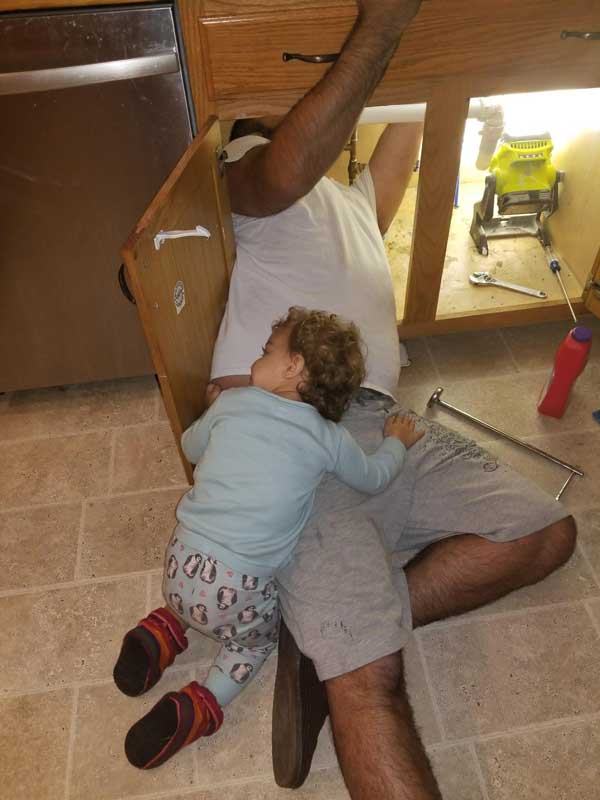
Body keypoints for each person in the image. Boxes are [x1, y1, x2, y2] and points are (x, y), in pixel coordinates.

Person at [211, 1, 578, 798]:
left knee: (547, 534)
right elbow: (289, 162)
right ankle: (346, 647)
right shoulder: (250, 186)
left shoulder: (352, 208)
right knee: (372, 676)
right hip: (297, 435)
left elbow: (403, 133)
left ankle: (327, 636)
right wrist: (380, 24)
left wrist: (452, 61)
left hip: (388, 426)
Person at [113, 306, 424, 770]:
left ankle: (164, 628)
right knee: (253, 643)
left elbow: (191, 448)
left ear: (294, 366)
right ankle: (200, 704)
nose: (256, 358)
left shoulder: (233, 404)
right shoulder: (328, 438)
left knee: (193, 598)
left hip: (181, 564)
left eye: (266, 350)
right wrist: (396, 440)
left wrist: (212, 408)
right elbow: (375, 477)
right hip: (237, 591)